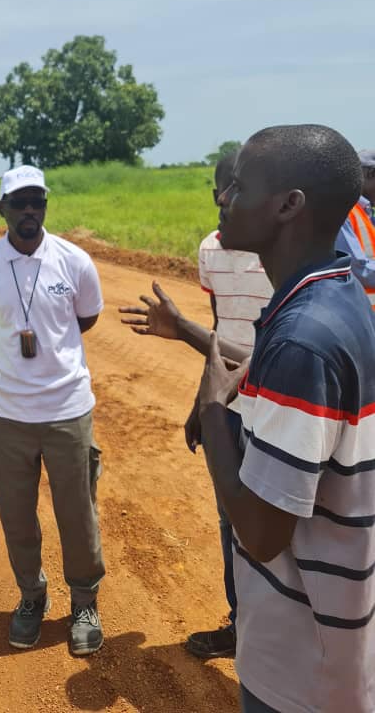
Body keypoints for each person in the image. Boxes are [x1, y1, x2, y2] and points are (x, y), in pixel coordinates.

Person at [145, 125, 374, 713]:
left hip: (302, 667)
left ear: (288, 206)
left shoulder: (302, 338)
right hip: (334, 641)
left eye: (238, 186)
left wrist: (212, 412)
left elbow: (261, 534)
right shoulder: (335, 295)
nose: (223, 197)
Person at [121, 150, 273, 660]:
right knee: (231, 518)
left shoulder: (279, 252)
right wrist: (199, 402)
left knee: (281, 521)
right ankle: (241, 624)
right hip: (229, 406)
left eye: (241, 190)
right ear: (215, 194)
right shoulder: (210, 250)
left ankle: (281, 635)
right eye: (224, 189)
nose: (229, 199)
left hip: (278, 406)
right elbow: (219, 333)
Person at [0, 165, 106, 656]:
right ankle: (32, 594)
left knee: (77, 511)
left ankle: (84, 602)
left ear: (45, 206)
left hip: (67, 408)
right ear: (1, 208)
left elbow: (84, 320)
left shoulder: (74, 261)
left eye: (37, 202)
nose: (30, 211)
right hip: (5, 413)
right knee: (16, 514)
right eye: (19, 203)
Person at [335, 148, 375, 309]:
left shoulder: (365, 212)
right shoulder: (343, 211)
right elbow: (357, 269)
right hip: (359, 317)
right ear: (371, 174)